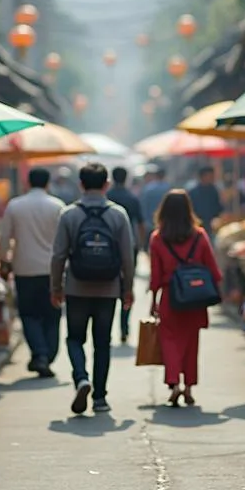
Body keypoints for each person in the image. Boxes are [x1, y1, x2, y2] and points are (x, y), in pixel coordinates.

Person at [51, 163, 135, 415]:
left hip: (77, 287)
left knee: (75, 338)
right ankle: (99, 398)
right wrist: (127, 289)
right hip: (108, 289)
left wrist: (56, 287)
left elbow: (58, 256)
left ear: (81, 184)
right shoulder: (118, 214)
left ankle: (81, 378)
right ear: (106, 184)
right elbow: (127, 257)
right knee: (102, 343)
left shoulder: (69, 214)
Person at [149, 190, 222, 407]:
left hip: (171, 297)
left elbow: (155, 275)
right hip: (196, 296)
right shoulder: (199, 236)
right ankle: (189, 386)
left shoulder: (157, 238)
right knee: (191, 342)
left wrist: (153, 299)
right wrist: (217, 290)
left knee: (169, 341)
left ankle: (174, 384)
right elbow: (213, 269)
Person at [0, 168, 65, 377]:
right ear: (47, 183)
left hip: (24, 269)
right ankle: (48, 355)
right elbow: (64, 241)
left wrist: (4, 262)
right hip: (52, 269)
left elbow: (4, 238)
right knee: (52, 315)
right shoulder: (58, 206)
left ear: (27, 182)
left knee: (29, 315)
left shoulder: (15, 205)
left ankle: (40, 354)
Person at [107, 165, 146, 344]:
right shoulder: (132, 198)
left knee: (108, 285)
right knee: (127, 285)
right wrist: (142, 244)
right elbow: (140, 224)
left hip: (108, 247)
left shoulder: (108, 196)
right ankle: (124, 325)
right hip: (129, 245)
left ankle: (106, 325)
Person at [188, 166, 224, 235]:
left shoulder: (214, 190)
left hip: (211, 225)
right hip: (197, 225)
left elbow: (218, 206)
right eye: (210, 176)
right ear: (202, 177)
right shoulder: (193, 192)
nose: (212, 178)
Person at [140, 165, 171, 233]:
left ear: (156, 176)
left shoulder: (148, 188)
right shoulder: (168, 188)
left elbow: (143, 205)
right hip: (165, 222)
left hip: (150, 221)